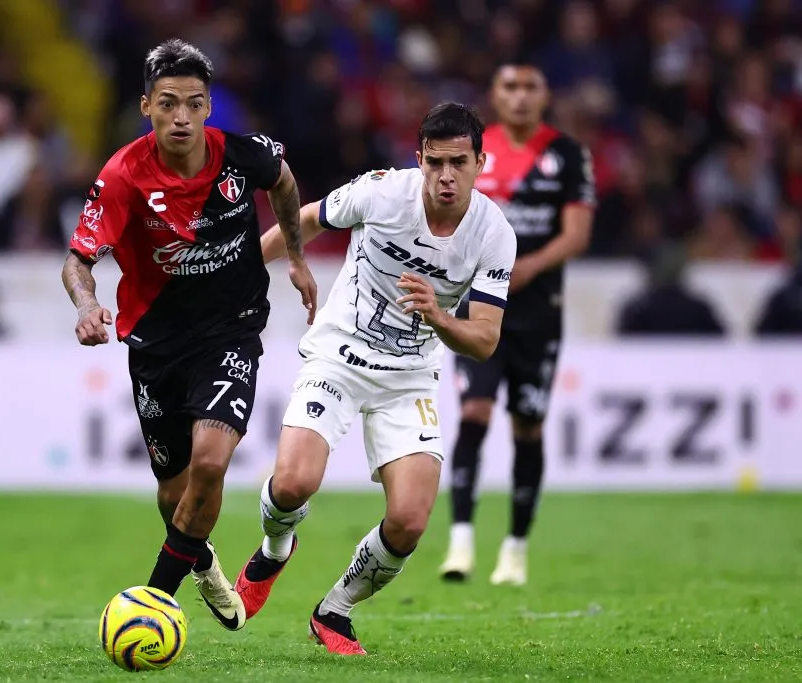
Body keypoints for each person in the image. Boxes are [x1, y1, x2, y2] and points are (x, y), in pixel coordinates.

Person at [233, 103, 517, 654]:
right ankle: (274, 548)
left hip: (409, 378)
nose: (446, 176)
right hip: (338, 354)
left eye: (459, 163)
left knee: (409, 521)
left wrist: (438, 316)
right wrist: (243, 274)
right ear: (420, 159)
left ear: (481, 163)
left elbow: (485, 340)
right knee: (291, 484)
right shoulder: (383, 192)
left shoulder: (493, 234)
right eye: (435, 162)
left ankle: (335, 609)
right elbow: (308, 218)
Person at [61, 39, 317, 631]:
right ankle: (201, 563)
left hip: (231, 331)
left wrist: (296, 256)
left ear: (208, 107)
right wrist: (88, 304)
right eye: (168, 103)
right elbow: (78, 260)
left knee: (209, 462)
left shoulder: (243, 156)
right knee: (172, 493)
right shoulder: (123, 175)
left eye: (194, 104)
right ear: (146, 105)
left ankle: (152, 604)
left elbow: (284, 183)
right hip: (156, 343)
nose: (181, 117)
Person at [439, 61, 596, 586]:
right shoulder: (474, 153)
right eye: (510, 86)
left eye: (531, 86)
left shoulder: (567, 154)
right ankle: (460, 542)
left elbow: (576, 234)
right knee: (474, 412)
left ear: (545, 95)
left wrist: (527, 266)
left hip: (537, 311)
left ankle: (515, 548)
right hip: (477, 305)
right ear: (495, 94)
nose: (521, 96)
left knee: (527, 425)